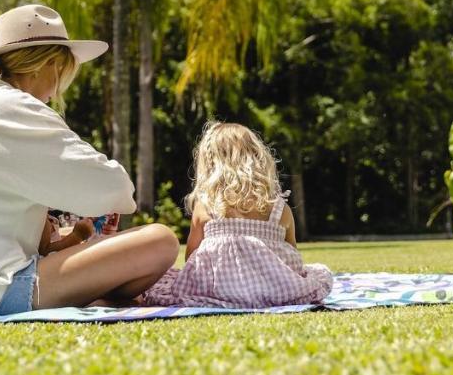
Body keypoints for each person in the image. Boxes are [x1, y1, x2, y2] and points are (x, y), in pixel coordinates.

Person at [0, 3, 179, 317]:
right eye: (63, 73)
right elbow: (117, 190)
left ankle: (98, 300)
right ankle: (100, 300)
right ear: (46, 64)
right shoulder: (13, 108)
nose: (58, 90)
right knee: (161, 241)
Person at [141, 121, 333, 309]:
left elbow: (192, 256)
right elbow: (292, 256)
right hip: (275, 290)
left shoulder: (206, 207)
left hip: (217, 290)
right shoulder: (279, 209)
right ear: (258, 159)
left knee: (163, 280)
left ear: (209, 165)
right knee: (318, 272)